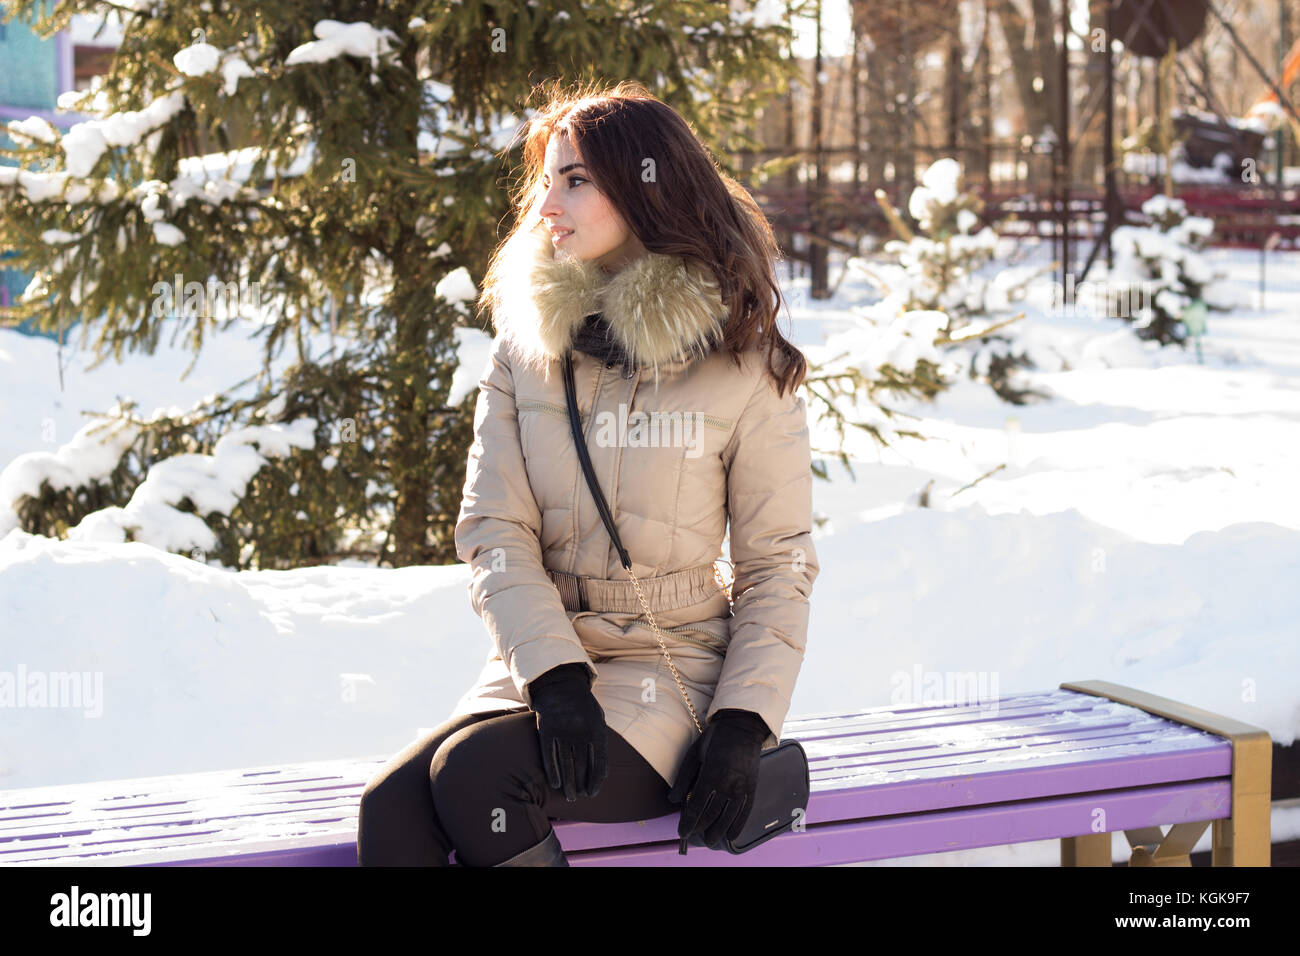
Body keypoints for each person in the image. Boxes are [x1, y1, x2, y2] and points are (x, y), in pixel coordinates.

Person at [357, 79, 819, 867]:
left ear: (650, 190)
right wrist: (554, 675)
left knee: (478, 777)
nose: (548, 205)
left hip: (670, 676)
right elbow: (495, 530)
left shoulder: (745, 366)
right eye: (547, 181)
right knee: (390, 809)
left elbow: (778, 564)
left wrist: (744, 726)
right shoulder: (525, 353)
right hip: (547, 666)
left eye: (576, 181)